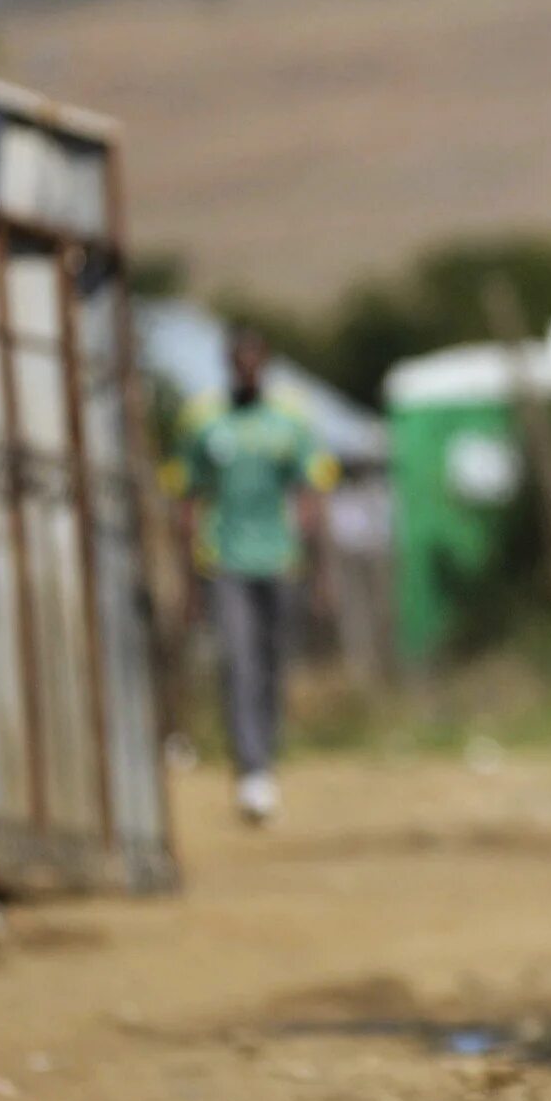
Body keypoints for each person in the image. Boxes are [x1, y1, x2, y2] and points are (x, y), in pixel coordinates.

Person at [177, 325, 337, 826]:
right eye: (238, 360)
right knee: (239, 661)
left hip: (280, 561)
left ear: (265, 363)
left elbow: (311, 497)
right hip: (224, 560)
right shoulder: (203, 420)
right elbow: (187, 497)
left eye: (255, 360)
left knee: (271, 664)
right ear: (228, 363)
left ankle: (265, 755)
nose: (247, 369)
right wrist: (187, 581)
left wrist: (322, 573)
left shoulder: (291, 420)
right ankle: (250, 769)